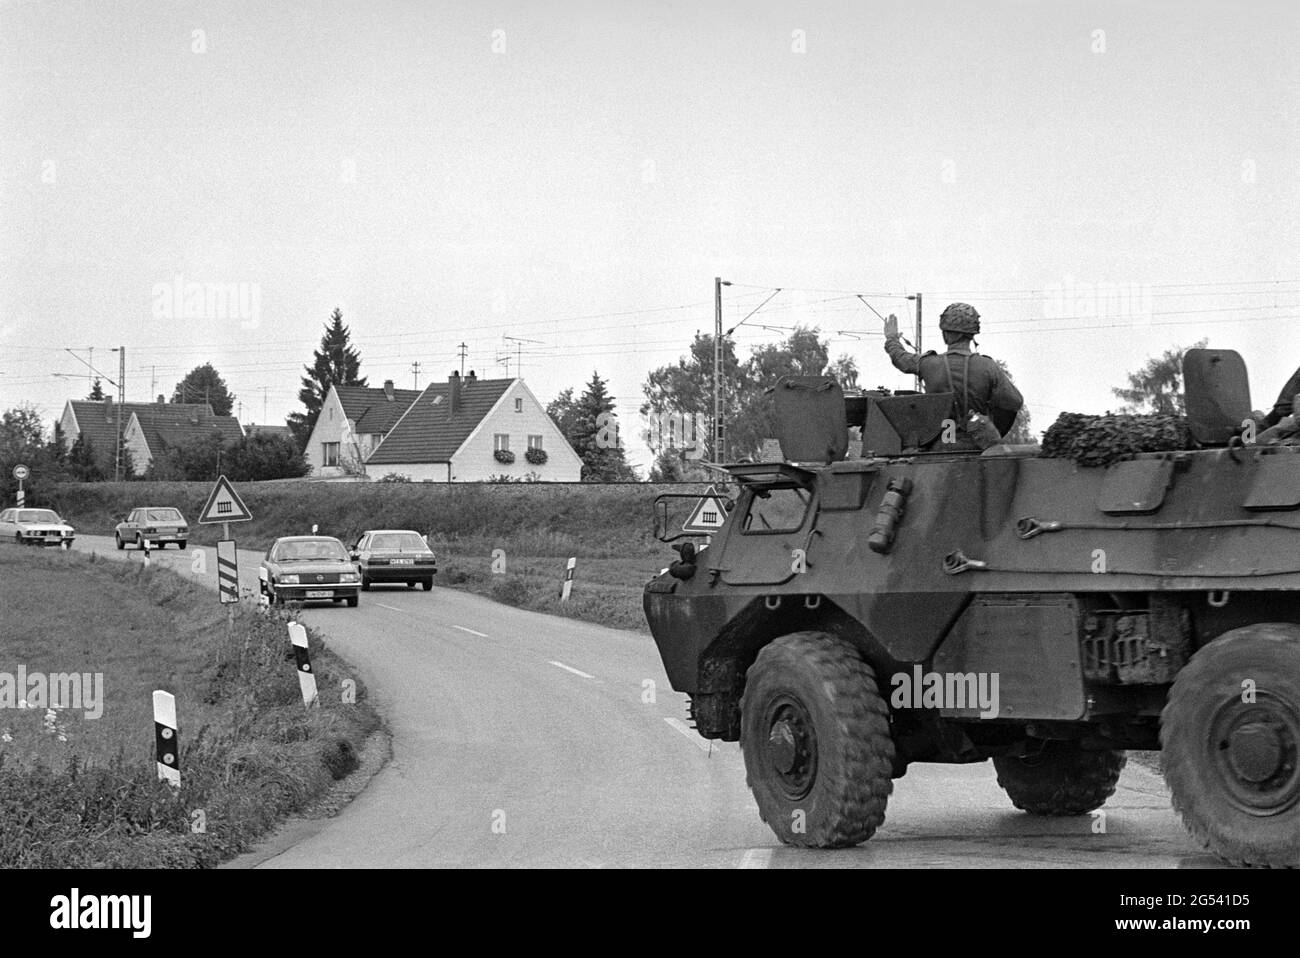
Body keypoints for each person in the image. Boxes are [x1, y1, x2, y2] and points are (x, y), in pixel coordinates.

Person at [882, 302, 1024, 449]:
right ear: (972, 335)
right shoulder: (987, 366)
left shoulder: (928, 364)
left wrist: (892, 339)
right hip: (979, 447)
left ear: (945, 335)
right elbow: (1014, 401)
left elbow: (901, 359)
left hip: (940, 446)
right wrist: (992, 424)